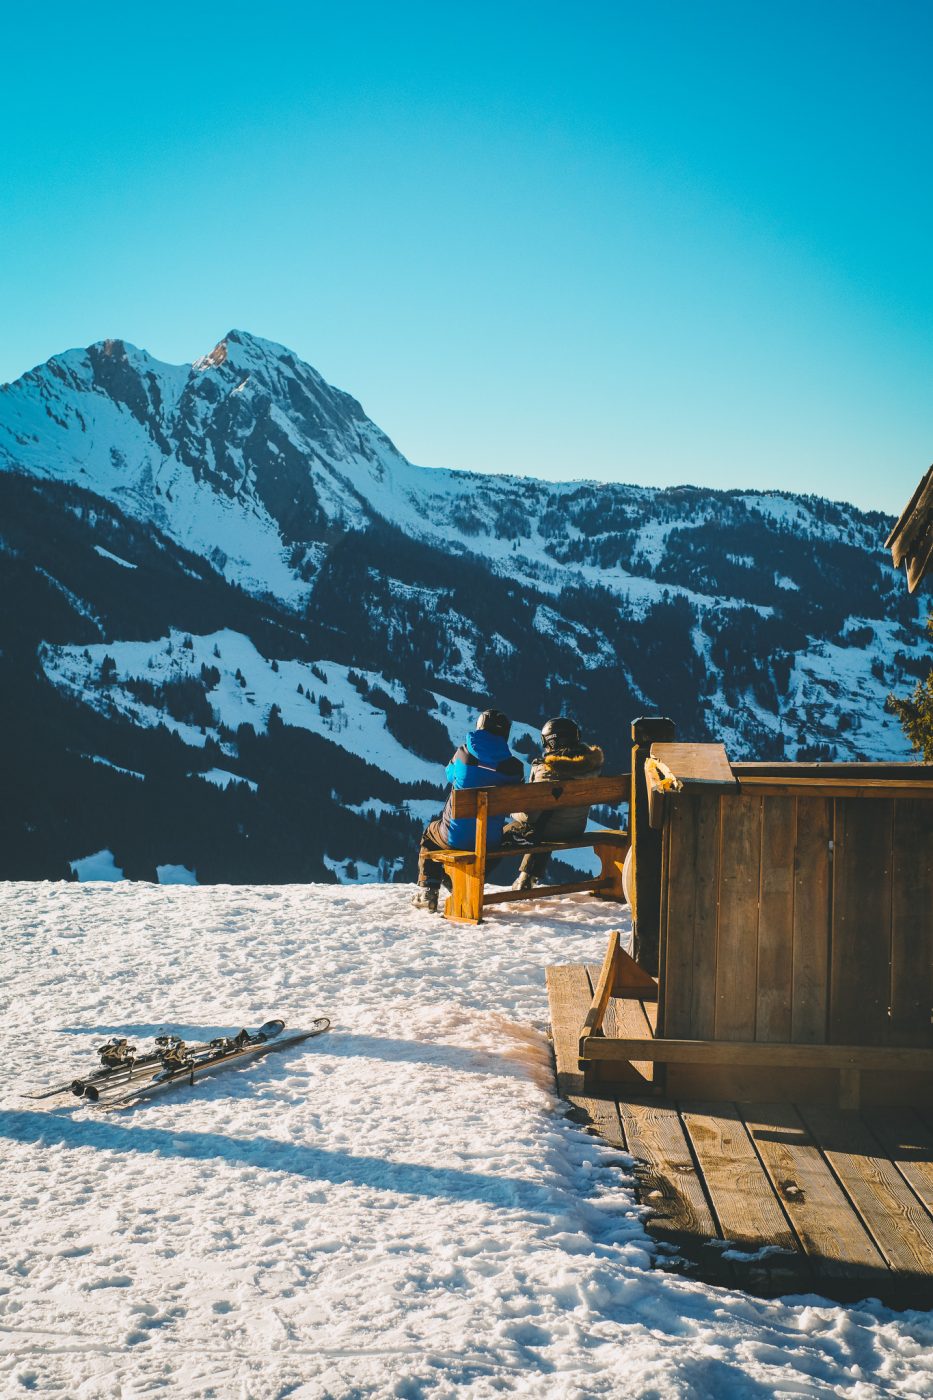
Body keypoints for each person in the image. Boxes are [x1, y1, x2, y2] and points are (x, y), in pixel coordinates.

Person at [412, 709, 524, 911]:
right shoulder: (514, 767)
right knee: (496, 845)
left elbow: (449, 775)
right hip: (490, 840)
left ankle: (428, 890)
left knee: (429, 834)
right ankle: (462, 883)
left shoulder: (463, 753)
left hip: (455, 835)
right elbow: (516, 801)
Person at [509, 716, 604, 891]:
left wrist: (513, 811)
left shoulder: (548, 770)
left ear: (552, 742)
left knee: (512, 831)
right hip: (576, 827)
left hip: (550, 830)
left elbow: (531, 814)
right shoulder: (590, 765)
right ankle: (527, 877)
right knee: (544, 824)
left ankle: (522, 879)